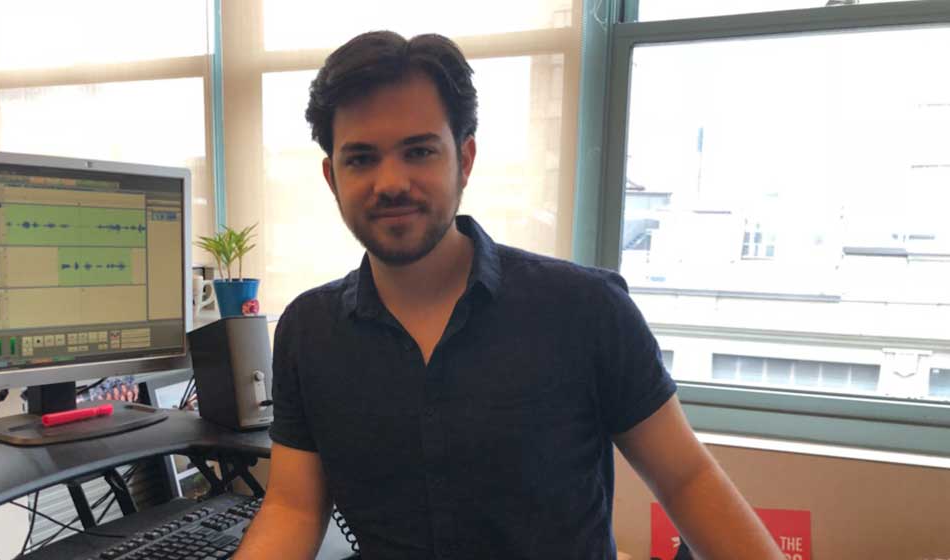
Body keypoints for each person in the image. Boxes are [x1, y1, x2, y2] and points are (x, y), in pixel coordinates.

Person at [235, 31, 779, 559]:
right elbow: (294, 509)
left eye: (419, 151)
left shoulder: (585, 310)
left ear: (464, 160)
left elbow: (686, 479)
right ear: (332, 177)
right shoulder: (309, 330)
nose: (391, 182)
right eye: (361, 159)